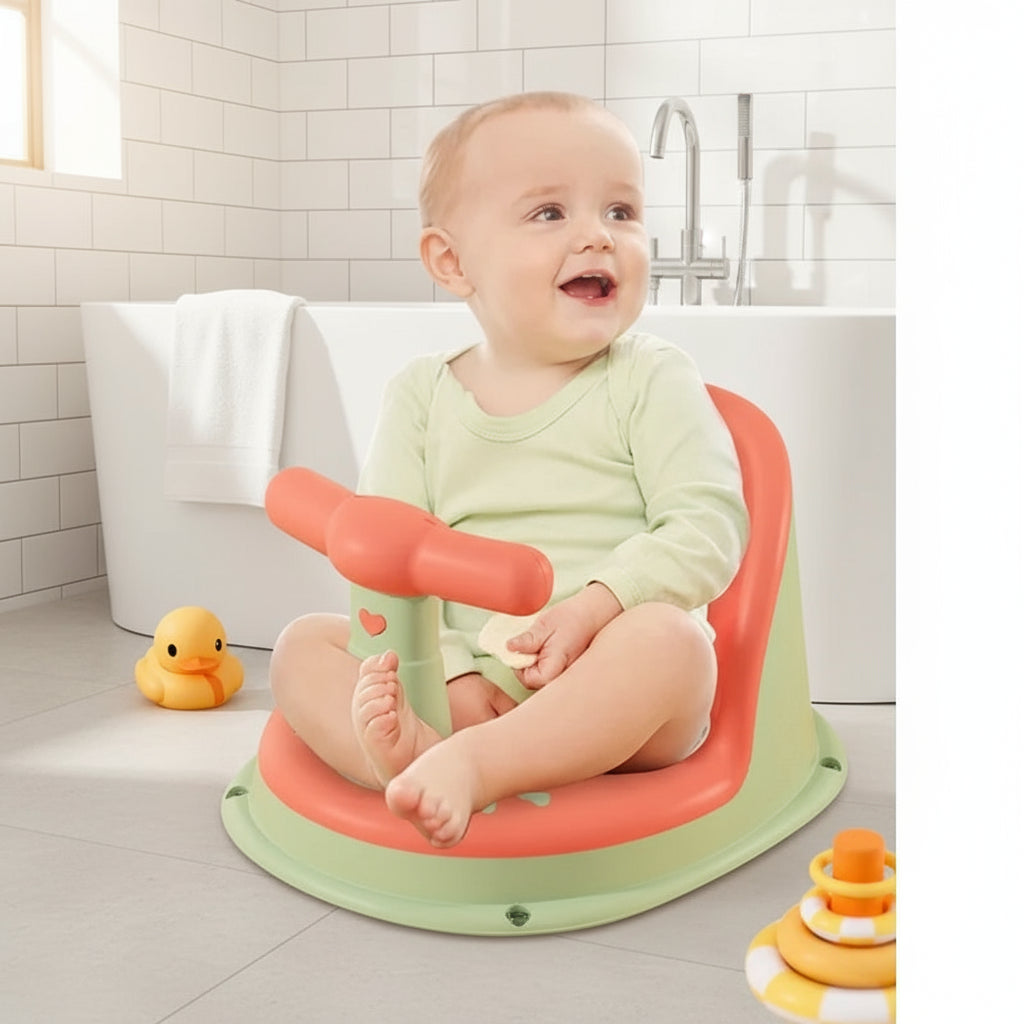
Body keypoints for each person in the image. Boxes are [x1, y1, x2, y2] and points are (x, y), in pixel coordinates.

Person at [270, 91, 749, 849]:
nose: (599, 236)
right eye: (550, 213)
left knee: (672, 642)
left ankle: (476, 767)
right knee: (302, 647)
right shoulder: (422, 395)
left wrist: (593, 609)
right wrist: (451, 675)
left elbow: (708, 528)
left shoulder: (650, 377)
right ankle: (421, 760)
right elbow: (383, 558)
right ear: (453, 262)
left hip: (611, 684)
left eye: (622, 211)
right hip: (463, 682)